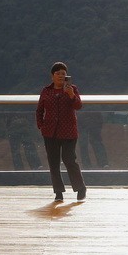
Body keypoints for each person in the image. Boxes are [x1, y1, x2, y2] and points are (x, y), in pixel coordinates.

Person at [35, 61, 86, 201]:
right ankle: (58, 192)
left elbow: (78, 106)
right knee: (53, 162)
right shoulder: (46, 91)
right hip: (50, 132)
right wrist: (41, 125)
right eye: (58, 73)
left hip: (69, 132)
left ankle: (80, 188)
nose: (61, 76)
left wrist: (71, 95)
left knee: (69, 160)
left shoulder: (72, 89)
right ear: (52, 76)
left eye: (63, 73)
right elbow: (39, 110)